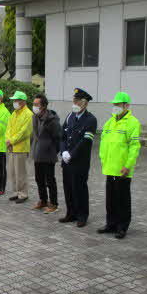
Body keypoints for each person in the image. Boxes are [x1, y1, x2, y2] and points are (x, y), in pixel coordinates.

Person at [97, 92, 142, 239]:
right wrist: (102, 158)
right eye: (114, 104)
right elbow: (103, 142)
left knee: (122, 199)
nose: (115, 107)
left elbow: (134, 146)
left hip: (122, 169)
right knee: (110, 199)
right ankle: (111, 224)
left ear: (126, 106)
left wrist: (128, 165)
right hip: (109, 167)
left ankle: (122, 226)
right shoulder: (110, 122)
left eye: (118, 104)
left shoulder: (133, 123)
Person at [59, 88, 98, 228]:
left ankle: (82, 215)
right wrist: (63, 152)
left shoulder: (90, 119)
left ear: (84, 103)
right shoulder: (70, 116)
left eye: (77, 101)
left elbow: (86, 141)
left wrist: (72, 154)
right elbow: (62, 136)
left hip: (79, 162)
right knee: (68, 188)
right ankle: (71, 213)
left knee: (79, 188)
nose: (74, 103)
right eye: (73, 101)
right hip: (66, 161)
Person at [31, 94, 62, 213]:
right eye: (33, 104)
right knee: (39, 179)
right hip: (38, 154)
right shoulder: (35, 117)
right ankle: (43, 200)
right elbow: (35, 135)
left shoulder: (52, 120)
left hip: (48, 155)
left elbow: (58, 138)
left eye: (36, 104)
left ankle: (53, 204)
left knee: (50, 180)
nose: (34, 106)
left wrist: (53, 150)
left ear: (43, 106)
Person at [5, 91, 33, 204]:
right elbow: (8, 128)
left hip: (21, 148)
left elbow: (25, 132)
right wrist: (8, 140)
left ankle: (23, 193)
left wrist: (11, 141)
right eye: (14, 100)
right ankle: (16, 192)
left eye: (16, 100)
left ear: (23, 101)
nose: (14, 102)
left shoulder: (28, 114)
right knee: (12, 171)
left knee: (20, 172)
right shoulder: (14, 113)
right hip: (11, 147)